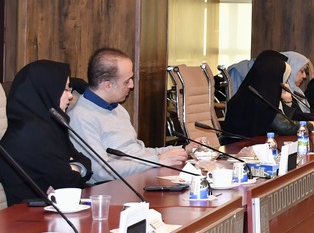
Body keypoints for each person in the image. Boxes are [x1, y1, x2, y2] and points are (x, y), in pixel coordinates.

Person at [70, 48, 189, 182]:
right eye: (127, 81)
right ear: (107, 85)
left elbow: (138, 153)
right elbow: (101, 171)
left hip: (138, 179)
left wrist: (183, 150)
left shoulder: (117, 108)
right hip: (113, 188)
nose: (132, 85)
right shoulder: (81, 117)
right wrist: (157, 161)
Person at [0, 60, 92, 205]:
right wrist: (73, 168)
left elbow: (85, 162)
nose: (70, 96)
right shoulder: (30, 134)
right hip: (28, 214)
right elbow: (68, 182)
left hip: (55, 209)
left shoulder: (49, 126)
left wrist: (74, 168)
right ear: (47, 91)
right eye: (66, 89)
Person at [223, 50, 303, 138]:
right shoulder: (258, 99)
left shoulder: (256, 94)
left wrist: (288, 102)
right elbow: (284, 127)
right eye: (280, 79)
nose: (284, 84)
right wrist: (309, 125)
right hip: (239, 146)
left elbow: (285, 124)